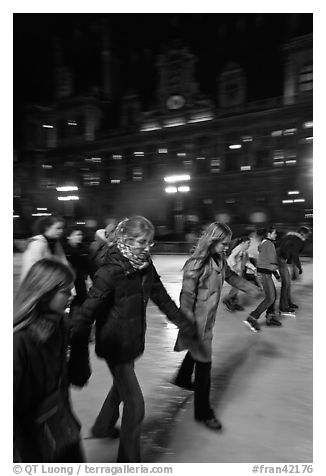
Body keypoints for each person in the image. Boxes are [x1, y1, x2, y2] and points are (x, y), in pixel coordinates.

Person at [70, 216, 196, 463]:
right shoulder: (109, 271)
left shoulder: (145, 266)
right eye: (141, 242)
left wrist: (184, 323)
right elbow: (86, 313)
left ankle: (102, 427)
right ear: (126, 239)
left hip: (133, 339)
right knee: (135, 405)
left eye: (150, 243)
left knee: (121, 386)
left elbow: (162, 298)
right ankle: (128, 462)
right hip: (114, 343)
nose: (147, 248)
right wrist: (72, 349)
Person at [173, 222, 259, 431]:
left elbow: (229, 276)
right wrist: (188, 326)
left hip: (208, 320)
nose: (227, 247)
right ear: (212, 241)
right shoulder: (196, 264)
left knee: (196, 353)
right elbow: (186, 298)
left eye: (228, 244)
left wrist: (250, 287)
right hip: (197, 323)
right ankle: (204, 413)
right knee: (205, 366)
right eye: (224, 243)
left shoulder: (218, 258)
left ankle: (182, 377)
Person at [13, 259, 85, 463]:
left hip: (60, 425)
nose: (72, 295)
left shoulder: (60, 327)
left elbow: (61, 382)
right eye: (65, 291)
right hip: (29, 439)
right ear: (44, 292)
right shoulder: (19, 341)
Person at [244, 226, 281, 332]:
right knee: (270, 298)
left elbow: (266, 261)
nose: (276, 235)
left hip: (264, 273)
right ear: (268, 234)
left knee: (273, 294)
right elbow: (272, 261)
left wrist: (275, 274)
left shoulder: (265, 244)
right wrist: (276, 271)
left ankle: (271, 317)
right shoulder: (269, 244)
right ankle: (252, 317)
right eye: (274, 233)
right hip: (264, 274)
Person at [20, 215, 68, 281]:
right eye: (58, 228)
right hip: (36, 285)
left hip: (51, 283)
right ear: (47, 227)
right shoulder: (37, 243)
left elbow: (63, 263)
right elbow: (34, 268)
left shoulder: (56, 243)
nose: (61, 231)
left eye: (62, 228)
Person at [276, 226, 310, 314]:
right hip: (281, 259)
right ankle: (283, 307)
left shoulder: (290, 237)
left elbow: (281, 246)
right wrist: (299, 267)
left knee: (288, 283)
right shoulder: (298, 240)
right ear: (303, 234)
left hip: (281, 258)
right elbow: (295, 254)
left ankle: (288, 303)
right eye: (307, 235)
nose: (307, 237)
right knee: (286, 283)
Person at [222, 235, 257, 311]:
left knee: (237, 288)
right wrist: (234, 267)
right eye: (248, 243)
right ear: (243, 243)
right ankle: (227, 300)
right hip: (235, 271)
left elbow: (247, 262)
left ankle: (232, 302)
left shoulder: (245, 252)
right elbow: (231, 257)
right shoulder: (238, 248)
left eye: (249, 243)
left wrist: (254, 269)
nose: (249, 245)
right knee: (237, 287)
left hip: (241, 271)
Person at [64, 226, 90, 317]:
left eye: (81, 234)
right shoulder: (64, 250)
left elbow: (89, 266)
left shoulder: (84, 249)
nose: (80, 237)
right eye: (77, 234)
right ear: (68, 236)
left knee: (81, 300)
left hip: (80, 280)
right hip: (68, 281)